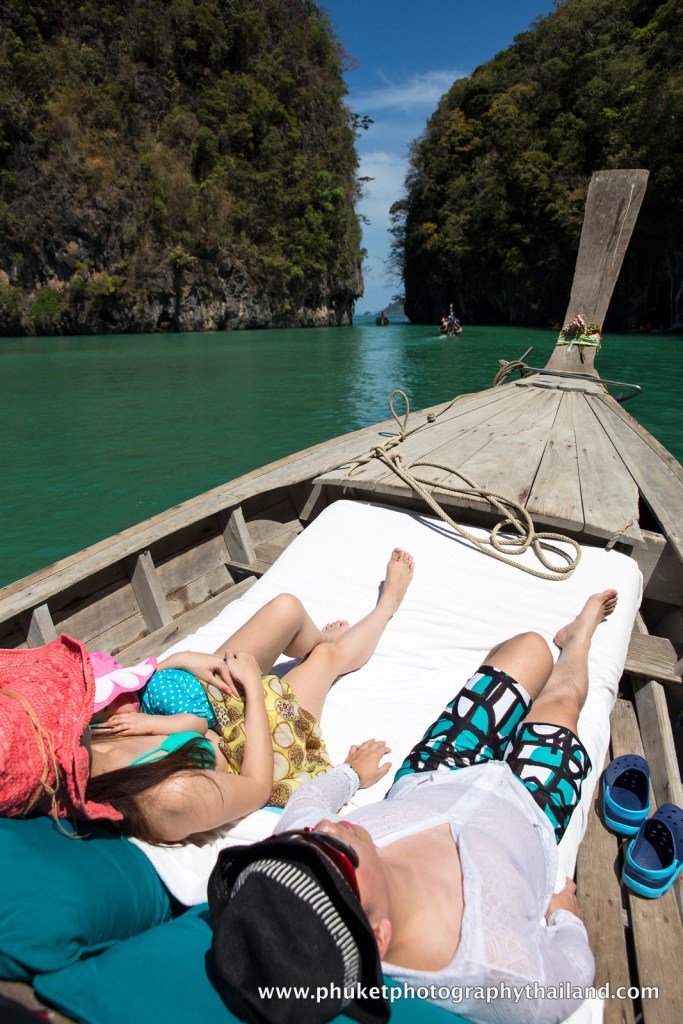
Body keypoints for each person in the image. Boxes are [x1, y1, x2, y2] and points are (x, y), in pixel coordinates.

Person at [207, 590, 618, 1024]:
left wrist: (351, 774)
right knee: (562, 703)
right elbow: (572, 979)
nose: (325, 827)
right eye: (336, 852)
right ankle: (579, 637)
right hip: (528, 811)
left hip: (433, 776)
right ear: (380, 939)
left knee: (531, 648)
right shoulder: (500, 971)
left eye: (306, 839)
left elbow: (309, 802)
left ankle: (539, 665)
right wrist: (565, 919)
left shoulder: (302, 859)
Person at [84, 549, 414, 844]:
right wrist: (254, 689)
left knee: (287, 608)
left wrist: (180, 659)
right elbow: (257, 789)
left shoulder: (88, 732)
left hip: (217, 708)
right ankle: (387, 606)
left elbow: (148, 698)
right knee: (326, 656)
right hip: (256, 748)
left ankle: (312, 641)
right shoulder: (167, 796)